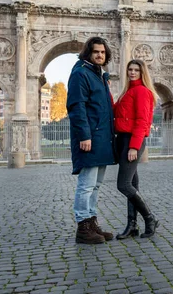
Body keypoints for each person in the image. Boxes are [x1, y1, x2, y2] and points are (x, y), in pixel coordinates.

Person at [67, 37, 116, 244]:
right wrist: (84, 135)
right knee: (86, 185)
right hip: (91, 137)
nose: (99, 55)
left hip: (103, 137)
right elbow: (77, 107)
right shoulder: (80, 74)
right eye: (96, 52)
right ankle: (82, 226)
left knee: (95, 185)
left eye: (103, 53)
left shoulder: (100, 76)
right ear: (88, 53)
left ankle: (92, 221)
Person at [114, 59, 160, 239]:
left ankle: (150, 218)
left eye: (136, 70)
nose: (132, 73)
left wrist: (133, 147)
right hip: (123, 140)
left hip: (132, 141)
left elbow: (142, 121)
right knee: (132, 184)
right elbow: (115, 112)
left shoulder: (141, 91)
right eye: (130, 70)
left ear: (142, 73)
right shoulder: (127, 92)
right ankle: (132, 225)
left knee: (123, 185)